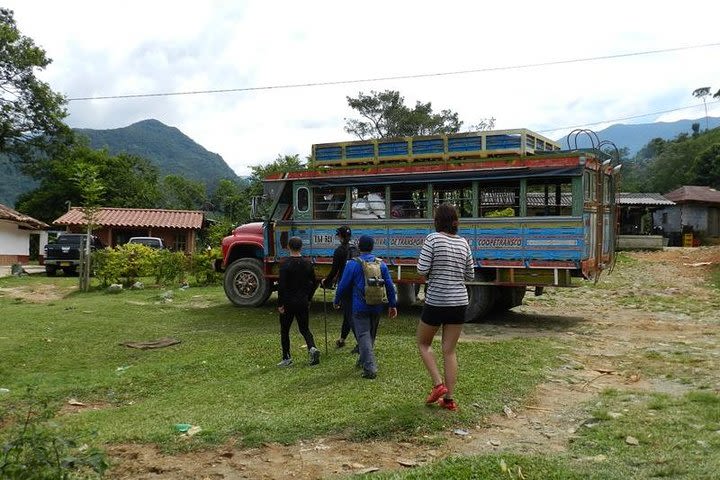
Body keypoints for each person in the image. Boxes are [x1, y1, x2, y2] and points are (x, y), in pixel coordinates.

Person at [416, 203, 474, 411]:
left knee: (423, 343)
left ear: (437, 220)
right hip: (459, 301)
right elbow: (470, 275)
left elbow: (422, 268)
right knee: (449, 351)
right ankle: (449, 400)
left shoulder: (432, 239)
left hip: (437, 299)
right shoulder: (464, 243)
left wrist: (433, 272)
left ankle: (438, 384)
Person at [334, 235, 397, 379]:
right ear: (372, 247)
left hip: (360, 306)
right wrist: (392, 305)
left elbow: (343, 286)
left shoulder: (352, 264)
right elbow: (389, 286)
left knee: (363, 336)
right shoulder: (381, 264)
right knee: (371, 335)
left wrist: (337, 300)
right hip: (377, 305)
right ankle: (363, 360)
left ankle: (370, 368)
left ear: (359, 247)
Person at [277, 236, 320, 367]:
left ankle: (287, 357)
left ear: (288, 247)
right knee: (305, 328)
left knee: (285, 330)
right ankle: (312, 348)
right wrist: (309, 297)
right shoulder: (308, 264)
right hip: (302, 301)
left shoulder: (285, 264)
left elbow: (281, 286)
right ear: (301, 247)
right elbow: (314, 282)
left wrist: (280, 304)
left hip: (288, 301)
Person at [320, 225, 357, 349]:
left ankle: (361, 343)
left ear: (340, 236)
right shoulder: (355, 249)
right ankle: (342, 339)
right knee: (348, 313)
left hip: (345, 284)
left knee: (350, 315)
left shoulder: (339, 251)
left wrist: (326, 281)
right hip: (357, 284)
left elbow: (334, 270)